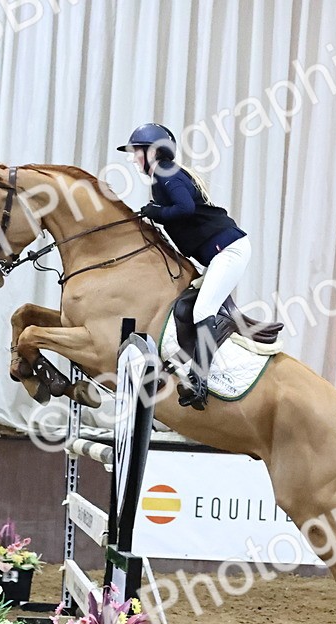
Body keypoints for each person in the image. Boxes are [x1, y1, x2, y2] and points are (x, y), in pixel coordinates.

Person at [116, 122, 250, 411]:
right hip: (220, 253)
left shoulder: (164, 172)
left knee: (203, 310)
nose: (132, 158)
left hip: (228, 251)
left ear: (152, 152)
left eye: (136, 152)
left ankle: (200, 381)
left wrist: (156, 212)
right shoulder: (163, 175)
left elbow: (186, 208)